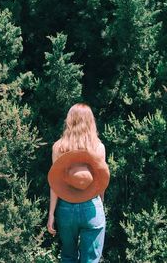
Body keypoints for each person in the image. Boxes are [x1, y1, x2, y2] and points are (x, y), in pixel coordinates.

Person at [47, 103, 110, 263]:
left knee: (68, 257)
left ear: (70, 121)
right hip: (91, 206)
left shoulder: (58, 147)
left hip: (66, 209)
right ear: (91, 122)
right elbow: (101, 183)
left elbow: (55, 185)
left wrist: (51, 214)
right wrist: (100, 205)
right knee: (91, 260)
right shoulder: (98, 148)